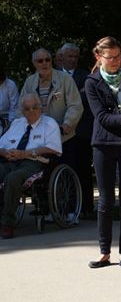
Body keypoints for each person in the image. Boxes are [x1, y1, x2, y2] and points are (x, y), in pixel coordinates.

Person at [85, 36, 121, 268]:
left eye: (118, 56)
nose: (115, 61)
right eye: (110, 58)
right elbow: (102, 118)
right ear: (99, 57)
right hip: (103, 144)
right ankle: (104, 251)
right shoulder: (92, 82)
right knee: (106, 200)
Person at [0, 93, 62, 238]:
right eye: (27, 109)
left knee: (13, 178)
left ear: (41, 108)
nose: (31, 111)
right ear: (22, 111)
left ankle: (7, 223)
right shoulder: (17, 123)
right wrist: (5, 153)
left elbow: (54, 149)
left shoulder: (49, 124)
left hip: (34, 163)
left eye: (35, 107)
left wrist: (26, 153)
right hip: (10, 160)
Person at [20, 48, 83, 168]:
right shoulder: (30, 82)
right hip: (38, 136)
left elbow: (75, 105)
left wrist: (67, 124)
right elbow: (21, 107)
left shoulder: (65, 79)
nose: (44, 63)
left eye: (47, 60)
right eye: (40, 61)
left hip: (63, 136)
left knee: (67, 169)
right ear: (34, 63)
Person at [61, 42, 94, 216]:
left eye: (75, 56)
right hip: (60, 133)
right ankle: (66, 207)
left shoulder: (85, 76)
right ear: (61, 57)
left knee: (83, 169)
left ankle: (87, 208)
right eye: (69, 56)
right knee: (65, 168)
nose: (73, 60)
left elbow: (87, 104)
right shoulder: (55, 76)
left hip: (81, 132)